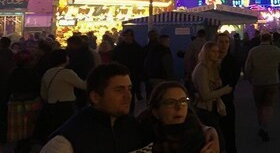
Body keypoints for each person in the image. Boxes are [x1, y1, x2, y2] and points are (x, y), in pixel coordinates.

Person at [40, 62, 219, 153]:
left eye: (129, 89)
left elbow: (168, 120)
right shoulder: (66, 141)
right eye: (119, 90)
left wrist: (208, 130)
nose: (128, 96)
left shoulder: (134, 125)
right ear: (95, 96)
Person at [136, 81, 208, 153]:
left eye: (183, 101)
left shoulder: (197, 133)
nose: (179, 107)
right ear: (156, 112)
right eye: (170, 102)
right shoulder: (144, 141)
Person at [244, 32, 280, 142]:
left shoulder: (253, 51)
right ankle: (265, 126)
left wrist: (249, 78)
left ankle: (260, 124)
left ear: (260, 39)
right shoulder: (275, 50)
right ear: (270, 39)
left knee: (259, 105)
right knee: (269, 105)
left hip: (258, 81)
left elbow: (248, 67)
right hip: (272, 81)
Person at [36, 49, 87, 142]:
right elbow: (83, 86)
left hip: (51, 106)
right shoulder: (67, 73)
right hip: (66, 106)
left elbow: (43, 93)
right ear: (64, 59)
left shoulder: (48, 72)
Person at [191, 41, 230, 150]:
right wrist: (224, 91)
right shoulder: (202, 70)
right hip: (204, 109)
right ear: (206, 53)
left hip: (212, 107)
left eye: (217, 52)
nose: (216, 54)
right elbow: (205, 95)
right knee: (217, 141)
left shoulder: (213, 67)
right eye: (213, 51)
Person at [216, 32, 240, 153]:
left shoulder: (232, 61)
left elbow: (231, 84)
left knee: (229, 134)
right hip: (209, 105)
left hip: (227, 102)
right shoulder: (209, 60)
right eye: (221, 42)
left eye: (226, 42)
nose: (224, 45)